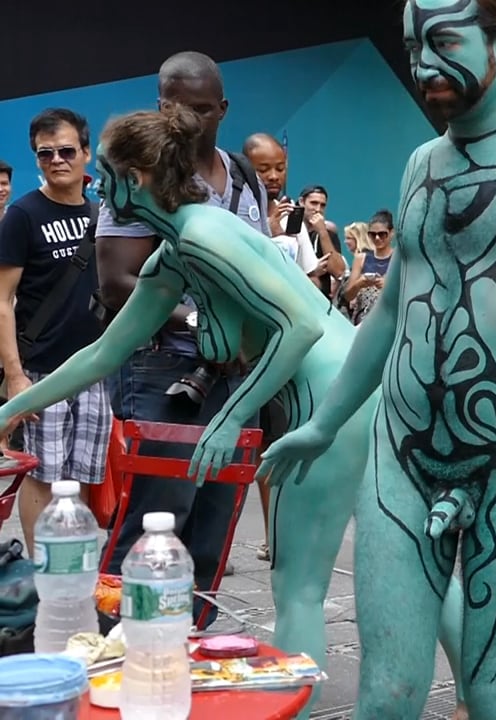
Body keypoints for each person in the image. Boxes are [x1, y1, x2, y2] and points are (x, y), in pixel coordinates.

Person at [257, 0, 496, 717]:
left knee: (494, 693)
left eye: (441, 41)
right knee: (385, 693)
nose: (422, 63)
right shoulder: (420, 163)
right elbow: (395, 311)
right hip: (400, 455)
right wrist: (326, 420)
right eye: (412, 46)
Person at [0, 106, 448, 720]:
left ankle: (301, 709)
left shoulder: (204, 238)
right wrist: (13, 407)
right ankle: (478, 696)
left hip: (330, 400)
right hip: (349, 392)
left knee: (298, 588)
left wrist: (230, 417)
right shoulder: (180, 249)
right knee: (406, 563)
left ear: (136, 176)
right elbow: (107, 351)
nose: (97, 186)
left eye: (104, 171)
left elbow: (298, 329)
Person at [93, 51, 269, 600]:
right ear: (160, 104)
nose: (189, 119)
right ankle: (119, 652)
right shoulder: (139, 173)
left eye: (201, 108)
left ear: (222, 108)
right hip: (165, 369)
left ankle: (193, 657)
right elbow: (117, 280)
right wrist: (200, 321)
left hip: (239, 376)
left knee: (213, 528)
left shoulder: (242, 174)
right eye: (175, 106)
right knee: (156, 527)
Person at [0, 109, 109, 554]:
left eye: (67, 151)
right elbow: (2, 300)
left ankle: (74, 563)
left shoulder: (102, 214)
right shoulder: (23, 215)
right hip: (41, 370)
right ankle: (43, 571)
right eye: (46, 154)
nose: (57, 160)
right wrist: (15, 376)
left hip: (92, 369)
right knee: (43, 476)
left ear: (86, 154)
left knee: (80, 477)